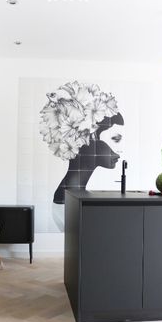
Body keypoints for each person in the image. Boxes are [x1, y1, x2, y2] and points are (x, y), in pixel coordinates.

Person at [40, 81, 124, 231]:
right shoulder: (66, 206)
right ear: (90, 137)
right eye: (115, 139)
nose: (119, 151)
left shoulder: (69, 197)